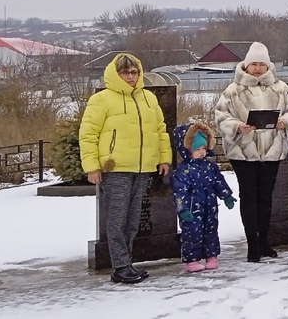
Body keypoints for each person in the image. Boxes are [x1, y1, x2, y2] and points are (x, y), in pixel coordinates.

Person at [79, 53, 171, 284]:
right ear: (116, 73)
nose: (130, 76)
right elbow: (88, 134)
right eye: (125, 72)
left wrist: (163, 158)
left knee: (132, 220)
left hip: (142, 167)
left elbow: (160, 130)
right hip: (115, 168)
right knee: (117, 219)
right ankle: (120, 266)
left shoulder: (148, 98)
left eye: (134, 72)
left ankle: (126, 262)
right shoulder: (102, 99)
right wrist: (92, 167)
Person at [214, 41, 288, 262]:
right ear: (246, 65)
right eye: (253, 64)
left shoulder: (280, 87)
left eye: (262, 64)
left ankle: (265, 241)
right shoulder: (234, 90)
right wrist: (237, 127)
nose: (258, 68)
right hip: (244, 152)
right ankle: (252, 244)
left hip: (272, 151)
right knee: (249, 197)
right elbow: (221, 115)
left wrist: (284, 122)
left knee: (266, 197)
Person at [170, 122, 235, 272]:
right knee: (192, 234)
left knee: (211, 232)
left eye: (204, 148)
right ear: (187, 149)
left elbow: (218, 182)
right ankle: (192, 260)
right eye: (197, 149)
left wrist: (226, 196)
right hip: (193, 208)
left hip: (209, 206)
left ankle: (211, 256)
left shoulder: (209, 167)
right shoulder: (183, 171)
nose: (202, 152)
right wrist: (182, 209)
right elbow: (180, 192)